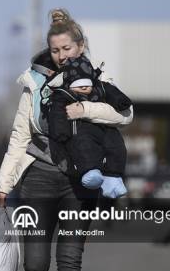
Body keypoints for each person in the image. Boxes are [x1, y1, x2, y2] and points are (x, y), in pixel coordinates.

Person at [0, 8, 133, 271]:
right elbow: (20, 135)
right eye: (55, 50)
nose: (61, 55)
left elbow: (126, 115)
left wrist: (84, 109)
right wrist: (4, 184)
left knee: (70, 259)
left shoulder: (98, 77)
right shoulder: (33, 82)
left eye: (67, 49)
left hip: (81, 182)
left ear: (80, 46)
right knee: (35, 263)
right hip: (37, 180)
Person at [39, 53, 131, 198]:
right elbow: (57, 114)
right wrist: (61, 132)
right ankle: (90, 172)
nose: (83, 88)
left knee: (117, 147)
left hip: (106, 128)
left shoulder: (100, 86)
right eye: (78, 85)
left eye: (86, 85)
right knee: (84, 147)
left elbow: (114, 94)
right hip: (81, 130)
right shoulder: (63, 94)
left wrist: (122, 101)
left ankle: (114, 178)